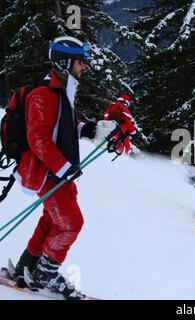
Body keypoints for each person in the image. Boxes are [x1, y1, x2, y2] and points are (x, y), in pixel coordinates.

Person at [11, 36, 105, 300]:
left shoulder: (63, 89)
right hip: (46, 173)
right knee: (70, 224)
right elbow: (37, 138)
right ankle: (44, 277)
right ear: (65, 62)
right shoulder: (44, 94)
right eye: (80, 61)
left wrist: (89, 129)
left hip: (57, 172)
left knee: (52, 220)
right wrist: (63, 167)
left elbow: (64, 125)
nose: (84, 67)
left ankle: (27, 267)